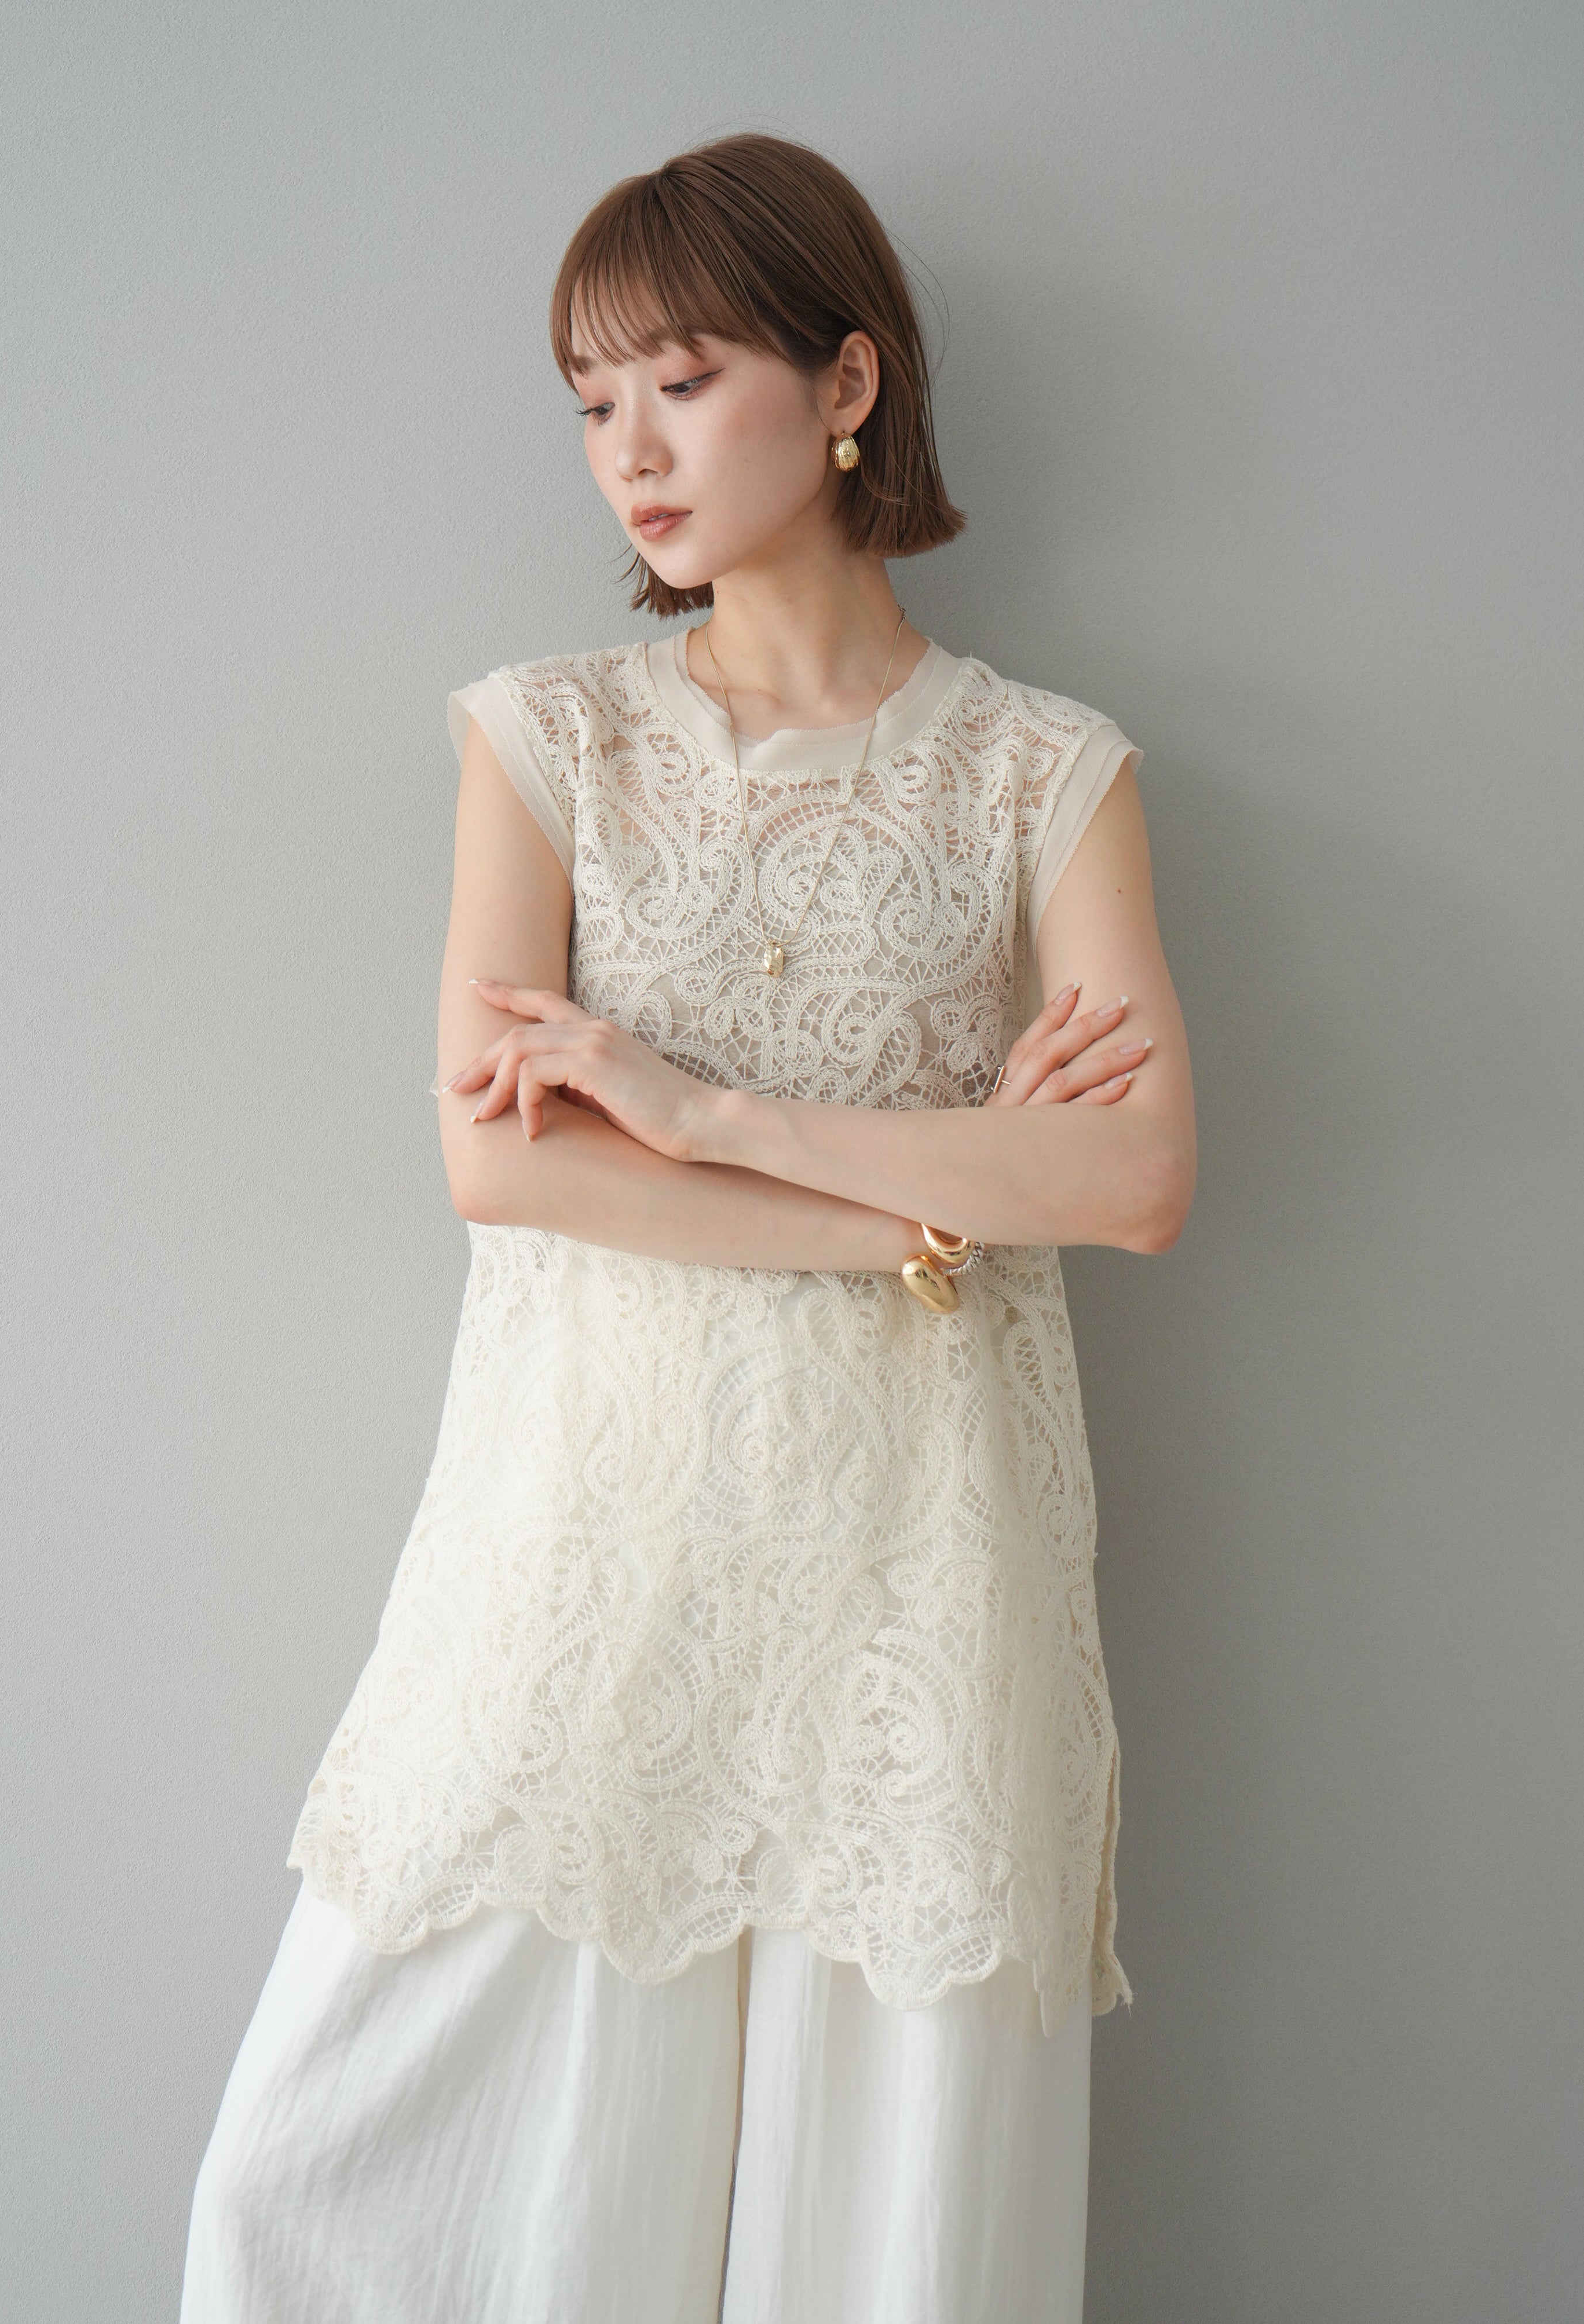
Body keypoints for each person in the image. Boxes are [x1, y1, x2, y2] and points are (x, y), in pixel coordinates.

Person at [180, 131, 1197, 2324]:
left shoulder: (1043, 771)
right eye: (588, 399)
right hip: (587, 1552)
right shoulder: (546, 740)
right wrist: (927, 1210)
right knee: (317, 2182)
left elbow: (1127, 1179)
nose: (625, 451)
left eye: (680, 378)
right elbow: (505, 1167)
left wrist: (702, 1112)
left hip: (924, 1575)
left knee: (886, 2250)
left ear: (846, 385)